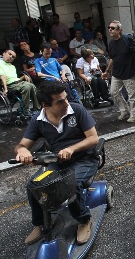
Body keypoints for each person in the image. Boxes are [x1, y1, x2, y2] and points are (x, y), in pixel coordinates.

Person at [14, 80, 99, 245]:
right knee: (34, 185)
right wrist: (22, 151)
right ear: (45, 105)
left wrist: (72, 149)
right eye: (60, 101)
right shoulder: (37, 120)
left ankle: (83, 220)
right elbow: (22, 144)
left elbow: (94, 138)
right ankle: (41, 224)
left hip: (85, 159)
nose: (66, 103)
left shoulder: (77, 110)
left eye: (66, 98)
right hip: (58, 161)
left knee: (70, 185)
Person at [104, 20, 135, 122]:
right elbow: (112, 58)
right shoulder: (111, 43)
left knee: (132, 96)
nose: (110, 30)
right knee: (114, 92)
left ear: (119, 30)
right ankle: (125, 111)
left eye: (113, 28)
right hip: (116, 73)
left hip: (129, 72)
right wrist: (107, 70)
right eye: (109, 27)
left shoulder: (128, 39)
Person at [0, 49, 40, 115]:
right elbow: (2, 76)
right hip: (9, 85)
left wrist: (24, 76)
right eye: (9, 54)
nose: (11, 56)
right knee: (27, 87)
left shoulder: (12, 66)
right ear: (4, 54)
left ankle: (37, 108)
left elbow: (15, 79)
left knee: (32, 86)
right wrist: (5, 89)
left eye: (13, 57)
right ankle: (25, 110)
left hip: (18, 83)